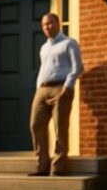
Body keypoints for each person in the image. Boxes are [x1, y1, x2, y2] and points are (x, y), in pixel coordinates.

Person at [29, 12, 82, 176]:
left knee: (60, 128)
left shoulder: (69, 43)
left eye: (50, 23)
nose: (47, 27)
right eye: (44, 25)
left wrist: (68, 85)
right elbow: (43, 68)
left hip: (61, 89)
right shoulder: (43, 48)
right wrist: (38, 87)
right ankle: (42, 166)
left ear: (58, 24)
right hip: (42, 90)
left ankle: (58, 167)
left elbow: (77, 67)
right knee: (36, 125)